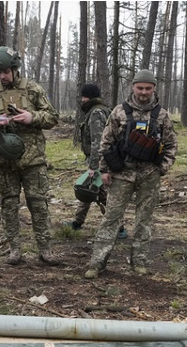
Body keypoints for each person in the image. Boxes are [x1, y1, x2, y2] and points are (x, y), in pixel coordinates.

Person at [84, 69, 177, 279]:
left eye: (148, 88)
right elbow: (105, 143)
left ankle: (139, 262)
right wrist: (105, 170)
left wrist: (162, 168)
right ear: (133, 87)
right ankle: (97, 262)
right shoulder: (119, 111)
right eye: (140, 87)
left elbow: (171, 145)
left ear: (154, 88)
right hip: (122, 174)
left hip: (149, 175)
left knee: (144, 220)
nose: (143, 92)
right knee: (111, 219)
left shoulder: (162, 115)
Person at [0, 46, 60, 266]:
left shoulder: (33, 89)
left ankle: (45, 249)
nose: (2, 76)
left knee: (39, 204)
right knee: (8, 204)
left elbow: (53, 117)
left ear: (15, 69)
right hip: (4, 161)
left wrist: (31, 117)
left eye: (6, 71)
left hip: (32, 160)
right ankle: (15, 249)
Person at [64, 83, 127, 239]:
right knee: (88, 189)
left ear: (89, 97)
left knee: (102, 194)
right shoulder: (103, 110)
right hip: (103, 159)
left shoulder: (96, 113)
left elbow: (97, 141)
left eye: (83, 96)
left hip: (100, 160)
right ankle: (77, 222)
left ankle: (119, 228)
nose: (82, 100)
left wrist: (94, 166)